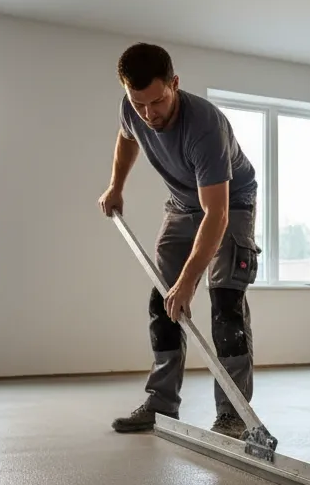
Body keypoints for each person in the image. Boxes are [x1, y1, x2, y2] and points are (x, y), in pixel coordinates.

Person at [100, 43, 260, 438]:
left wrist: (189, 280)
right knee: (163, 298)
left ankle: (233, 414)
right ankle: (161, 403)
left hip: (230, 204)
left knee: (225, 303)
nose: (149, 114)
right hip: (181, 204)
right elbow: (127, 138)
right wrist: (115, 186)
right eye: (140, 105)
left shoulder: (204, 126)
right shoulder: (131, 108)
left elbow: (217, 214)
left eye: (157, 101)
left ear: (175, 83)